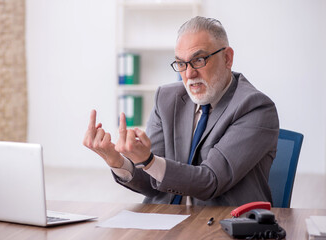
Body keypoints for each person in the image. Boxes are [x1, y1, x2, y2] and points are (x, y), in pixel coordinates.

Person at [83, 16, 279, 206]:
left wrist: (148, 161)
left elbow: (211, 181)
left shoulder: (255, 107)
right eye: (181, 63)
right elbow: (154, 182)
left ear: (227, 58)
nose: (189, 74)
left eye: (199, 60)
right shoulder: (166, 99)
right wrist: (116, 160)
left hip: (222, 224)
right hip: (166, 221)